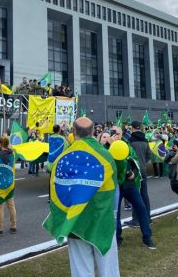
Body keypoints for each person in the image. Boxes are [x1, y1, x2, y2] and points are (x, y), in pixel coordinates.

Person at [44, 117, 120, 277]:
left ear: (73, 131)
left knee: (81, 271)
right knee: (109, 270)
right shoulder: (106, 156)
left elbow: (56, 193)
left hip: (75, 222)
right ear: (93, 131)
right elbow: (114, 187)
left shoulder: (62, 158)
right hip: (102, 221)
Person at [0, 137, 17, 235]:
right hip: (9, 184)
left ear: (0, 144)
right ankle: (13, 226)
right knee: (11, 205)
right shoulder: (12, 155)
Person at [128, 121, 152, 225]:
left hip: (134, 171)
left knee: (135, 195)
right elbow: (149, 155)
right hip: (143, 169)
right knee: (144, 194)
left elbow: (127, 156)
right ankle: (148, 218)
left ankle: (135, 219)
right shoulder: (145, 140)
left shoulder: (130, 141)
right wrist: (142, 162)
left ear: (132, 128)